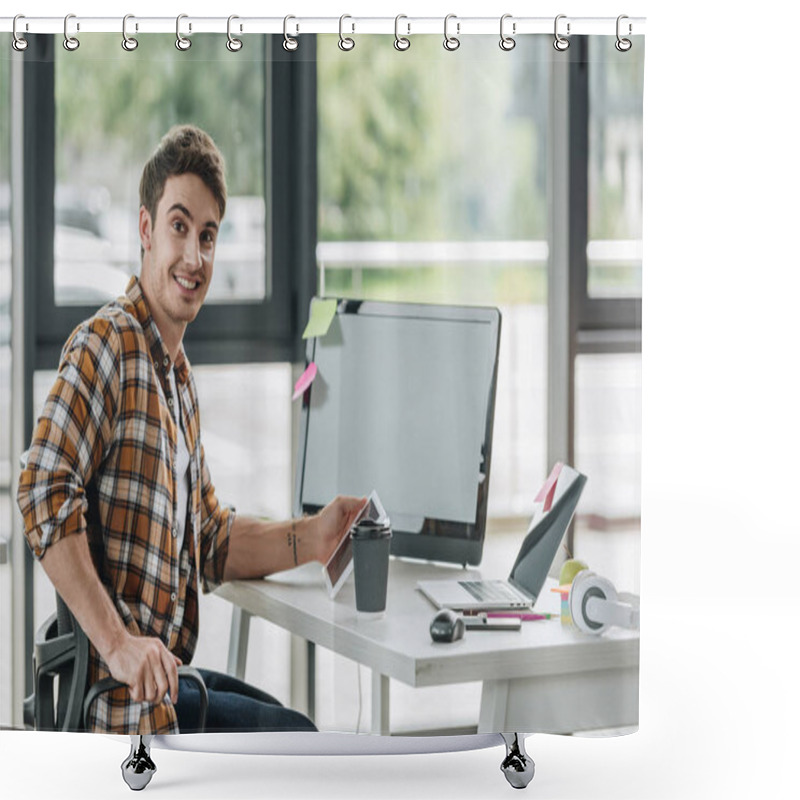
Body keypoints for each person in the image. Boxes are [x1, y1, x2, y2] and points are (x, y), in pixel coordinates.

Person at [17, 125, 365, 735]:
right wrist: (120, 643)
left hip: (166, 681)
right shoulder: (110, 345)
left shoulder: (174, 374)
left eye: (208, 236)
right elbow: (41, 491)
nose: (195, 257)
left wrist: (313, 537)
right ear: (147, 230)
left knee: (290, 724)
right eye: (180, 227)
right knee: (301, 743)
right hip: (123, 706)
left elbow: (209, 540)